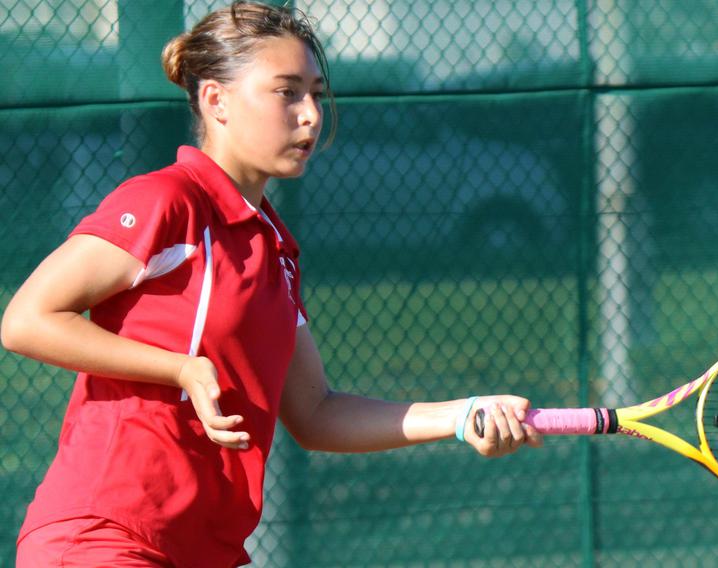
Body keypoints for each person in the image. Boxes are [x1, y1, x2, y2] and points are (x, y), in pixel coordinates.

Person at [1, 3, 541, 566]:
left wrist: (461, 415)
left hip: (204, 551)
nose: (310, 114)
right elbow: (26, 321)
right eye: (286, 92)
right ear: (216, 101)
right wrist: (180, 366)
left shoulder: (275, 250)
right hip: (104, 538)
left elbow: (316, 412)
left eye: (315, 92)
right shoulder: (167, 202)